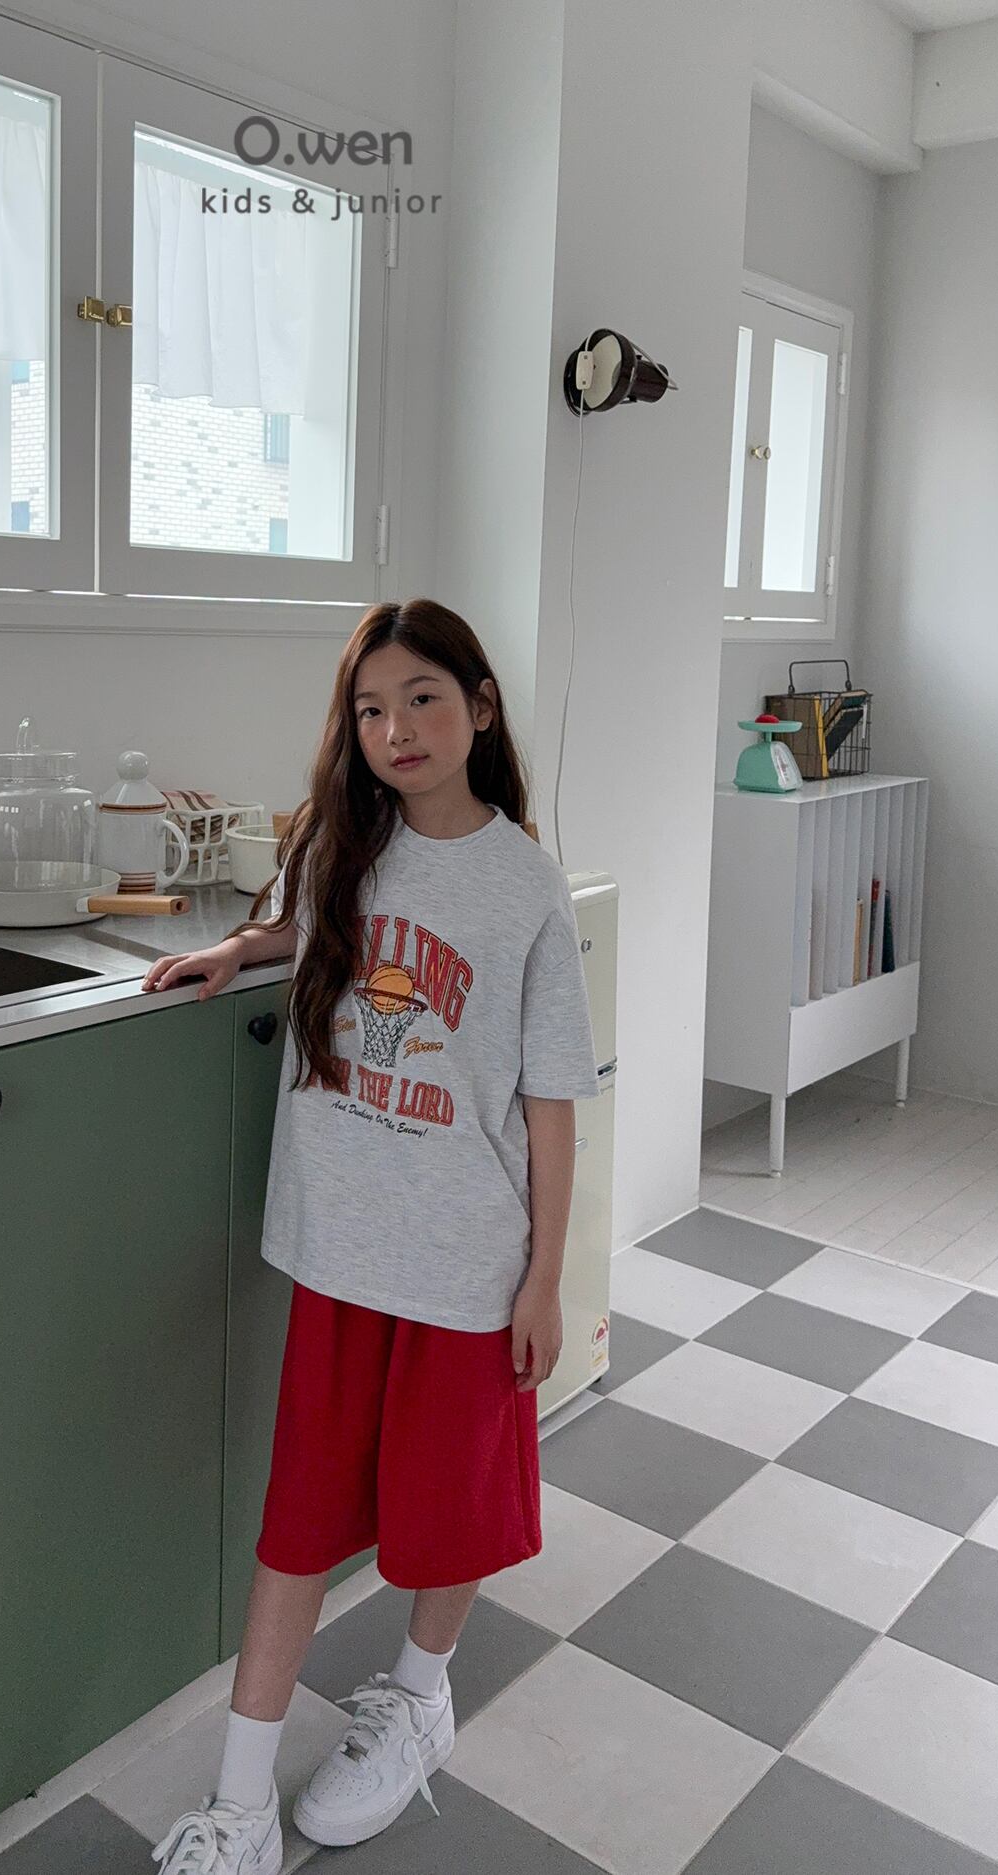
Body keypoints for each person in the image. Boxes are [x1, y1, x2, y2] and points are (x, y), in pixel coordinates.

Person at [139, 596, 601, 1874]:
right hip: (340, 1247)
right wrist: (243, 947)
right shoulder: (346, 844)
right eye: (372, 709)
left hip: (465, 1262)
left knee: (448, 1513)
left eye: (423, 700)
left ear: (481, 708)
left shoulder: (525, 886)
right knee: (298, 1523)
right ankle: (239, 1807)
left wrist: (544, 1279)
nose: (397, 729)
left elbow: (553, 1104)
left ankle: (417, 1695)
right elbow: (306, 927)